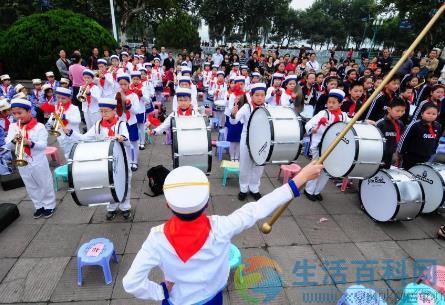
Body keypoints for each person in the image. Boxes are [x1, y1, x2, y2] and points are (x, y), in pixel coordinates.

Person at [122, 162, 322, 305]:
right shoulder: (222, 226)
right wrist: (301, 177)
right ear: (207, 203)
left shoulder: (156, 239)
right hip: (213, 297)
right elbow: (259, 208)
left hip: (178, 300)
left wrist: (161, 290)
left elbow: (131, 283)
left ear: (167, 205)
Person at [63, 97, 132, 220]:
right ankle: (111, 207)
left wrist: (122, 138)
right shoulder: (97, 125)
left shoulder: (121, 124)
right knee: (108, 183)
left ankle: (125, 206)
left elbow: (127, 142)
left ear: (114, 111)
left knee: (124, 181)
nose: (103, 113)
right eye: (101, 111)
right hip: (105, 161)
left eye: (106, 111)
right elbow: (84, 138)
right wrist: (71, 133)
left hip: (122, 160)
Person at [6, 98, 56, 218]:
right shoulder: (13, 127)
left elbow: (43, 146)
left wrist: (30, 143)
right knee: (30, 185)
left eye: (20, 113)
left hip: (38, 160)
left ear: (29, 112)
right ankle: (38, 205)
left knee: (44, 183)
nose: (17, 116)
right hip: (22, 161)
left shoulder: (39, 127)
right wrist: (13, 140)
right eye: (14, 113)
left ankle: (49, 205)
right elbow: (8, 145)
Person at [304, 89, 349, 201]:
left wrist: (364, 122)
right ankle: (309, 190)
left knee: (327, 169)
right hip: (319, 146)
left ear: (340, 103)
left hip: (333, 147)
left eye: (334, 102)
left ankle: (317, 191)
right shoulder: (323, 113)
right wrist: (313, 129)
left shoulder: (344, 116)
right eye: (329, 102)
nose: (330, 104)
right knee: (316, 168)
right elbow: (309, 124)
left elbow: (352, 123)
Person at [230, 83, 267, 201]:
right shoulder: (247, 107)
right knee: (245, 164)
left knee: (259, 165)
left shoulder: (267, 107)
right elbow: (235, 121)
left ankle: (254, 187)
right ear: (251, 96)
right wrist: (233, 113)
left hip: (262, 139)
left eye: (262, 95)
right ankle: (243, 188)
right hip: (247, 139)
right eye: (257, 95)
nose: (260, 97)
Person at [398, 103, 442, 169]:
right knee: (409, 172)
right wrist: (400, 152)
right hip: (412, 156)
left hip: (427, 156)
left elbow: (437, 139)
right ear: (422, 114)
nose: (431, 116)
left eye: (434, 114)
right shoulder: (415, 125)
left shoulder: (438, 126)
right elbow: (404, 138)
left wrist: (433, 151)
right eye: (428, 113)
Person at [116, 73, 142, 171]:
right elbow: (115, 110)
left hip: (131, 122)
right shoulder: (117, 95)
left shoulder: (134, 95)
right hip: (121, 122)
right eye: (121, 84)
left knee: (134, 142)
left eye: (125, 84)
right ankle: (128, 160)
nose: (123, 86)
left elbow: (137, 110)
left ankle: (134, 161)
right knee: (124, 142)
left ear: (128, 83)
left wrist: (129, 106)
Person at [48, 87, 81, 159]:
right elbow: (50, 121)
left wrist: (66, 117)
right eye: (58, 98)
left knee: (76, 152)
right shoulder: (55, 107)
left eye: (63, 98)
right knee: (66, 153)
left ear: (69, 98)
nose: (60, 100)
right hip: (61, 135)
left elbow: (78, 120)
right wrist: (53, 118)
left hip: (73, 134)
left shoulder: (74, 108)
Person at [376, 98, 406, 169]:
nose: (400, 113)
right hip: (379, 155)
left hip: (390, 155)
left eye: (402, 111)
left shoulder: (400, 124)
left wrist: (396, 153)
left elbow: (400, 139)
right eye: (397, 111)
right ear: (389, 110)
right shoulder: (380, 123)